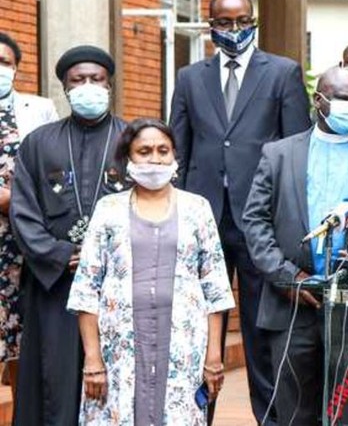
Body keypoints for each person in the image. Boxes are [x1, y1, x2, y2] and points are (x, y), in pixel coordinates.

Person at [169, 0, 312, 423]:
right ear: (210, 25)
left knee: (259, 329)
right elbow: (179, 147)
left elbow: (296, 149)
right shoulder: (190, 77)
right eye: (225, 22)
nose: (235, 29)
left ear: (254, 22)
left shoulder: (282, 72)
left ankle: (269, 418)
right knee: (199, 327)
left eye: (243, 21)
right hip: (205, 218)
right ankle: (198, 417)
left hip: (260, 222)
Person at [242, 67, 348, 425]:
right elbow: (255, 221)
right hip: (292, 303)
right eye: (342, 99)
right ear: (319, 99)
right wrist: (287, 277)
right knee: (295, 409)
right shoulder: (279, 154)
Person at [67, 118, 235, 425]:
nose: (155, 159)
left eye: (163, 150)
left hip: (184, 348)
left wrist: (213, 356)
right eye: (144, 151)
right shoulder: (108, 209)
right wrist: (92, 358)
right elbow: (87, 288)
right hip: (118, 352)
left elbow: (215, 288)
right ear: (128, 158)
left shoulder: (197, 208)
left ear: (174, 156)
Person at [10, 45, 126, 426]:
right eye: (78, 80)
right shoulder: (39, 143)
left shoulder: (132, 139)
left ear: (109, 84)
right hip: (56, 282)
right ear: (65, 87)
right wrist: (60, 255)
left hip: (117, 284)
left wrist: (110, 260)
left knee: (117, 381)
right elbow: (23, 211)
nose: (88, 86)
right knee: (54, 383)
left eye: (96, 79)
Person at [0, 32, 58, 399]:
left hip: (25, 240)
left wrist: (18, 202)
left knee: (23, 336)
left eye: (4, 62)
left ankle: (23, 413)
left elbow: (54, 168)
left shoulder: (40, 109)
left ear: (17, 68)